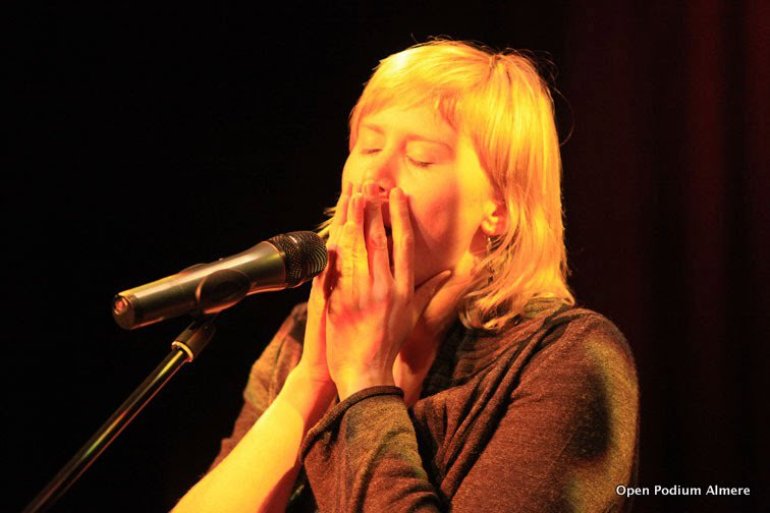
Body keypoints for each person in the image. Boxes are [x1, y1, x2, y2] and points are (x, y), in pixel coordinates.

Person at [172, 39, 639, 513]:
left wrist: (364, 378)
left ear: (498, 207)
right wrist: (313, 380)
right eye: (369, 145)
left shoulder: (565, 358)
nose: (374, 175)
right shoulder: (301, 335)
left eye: (420, 158)